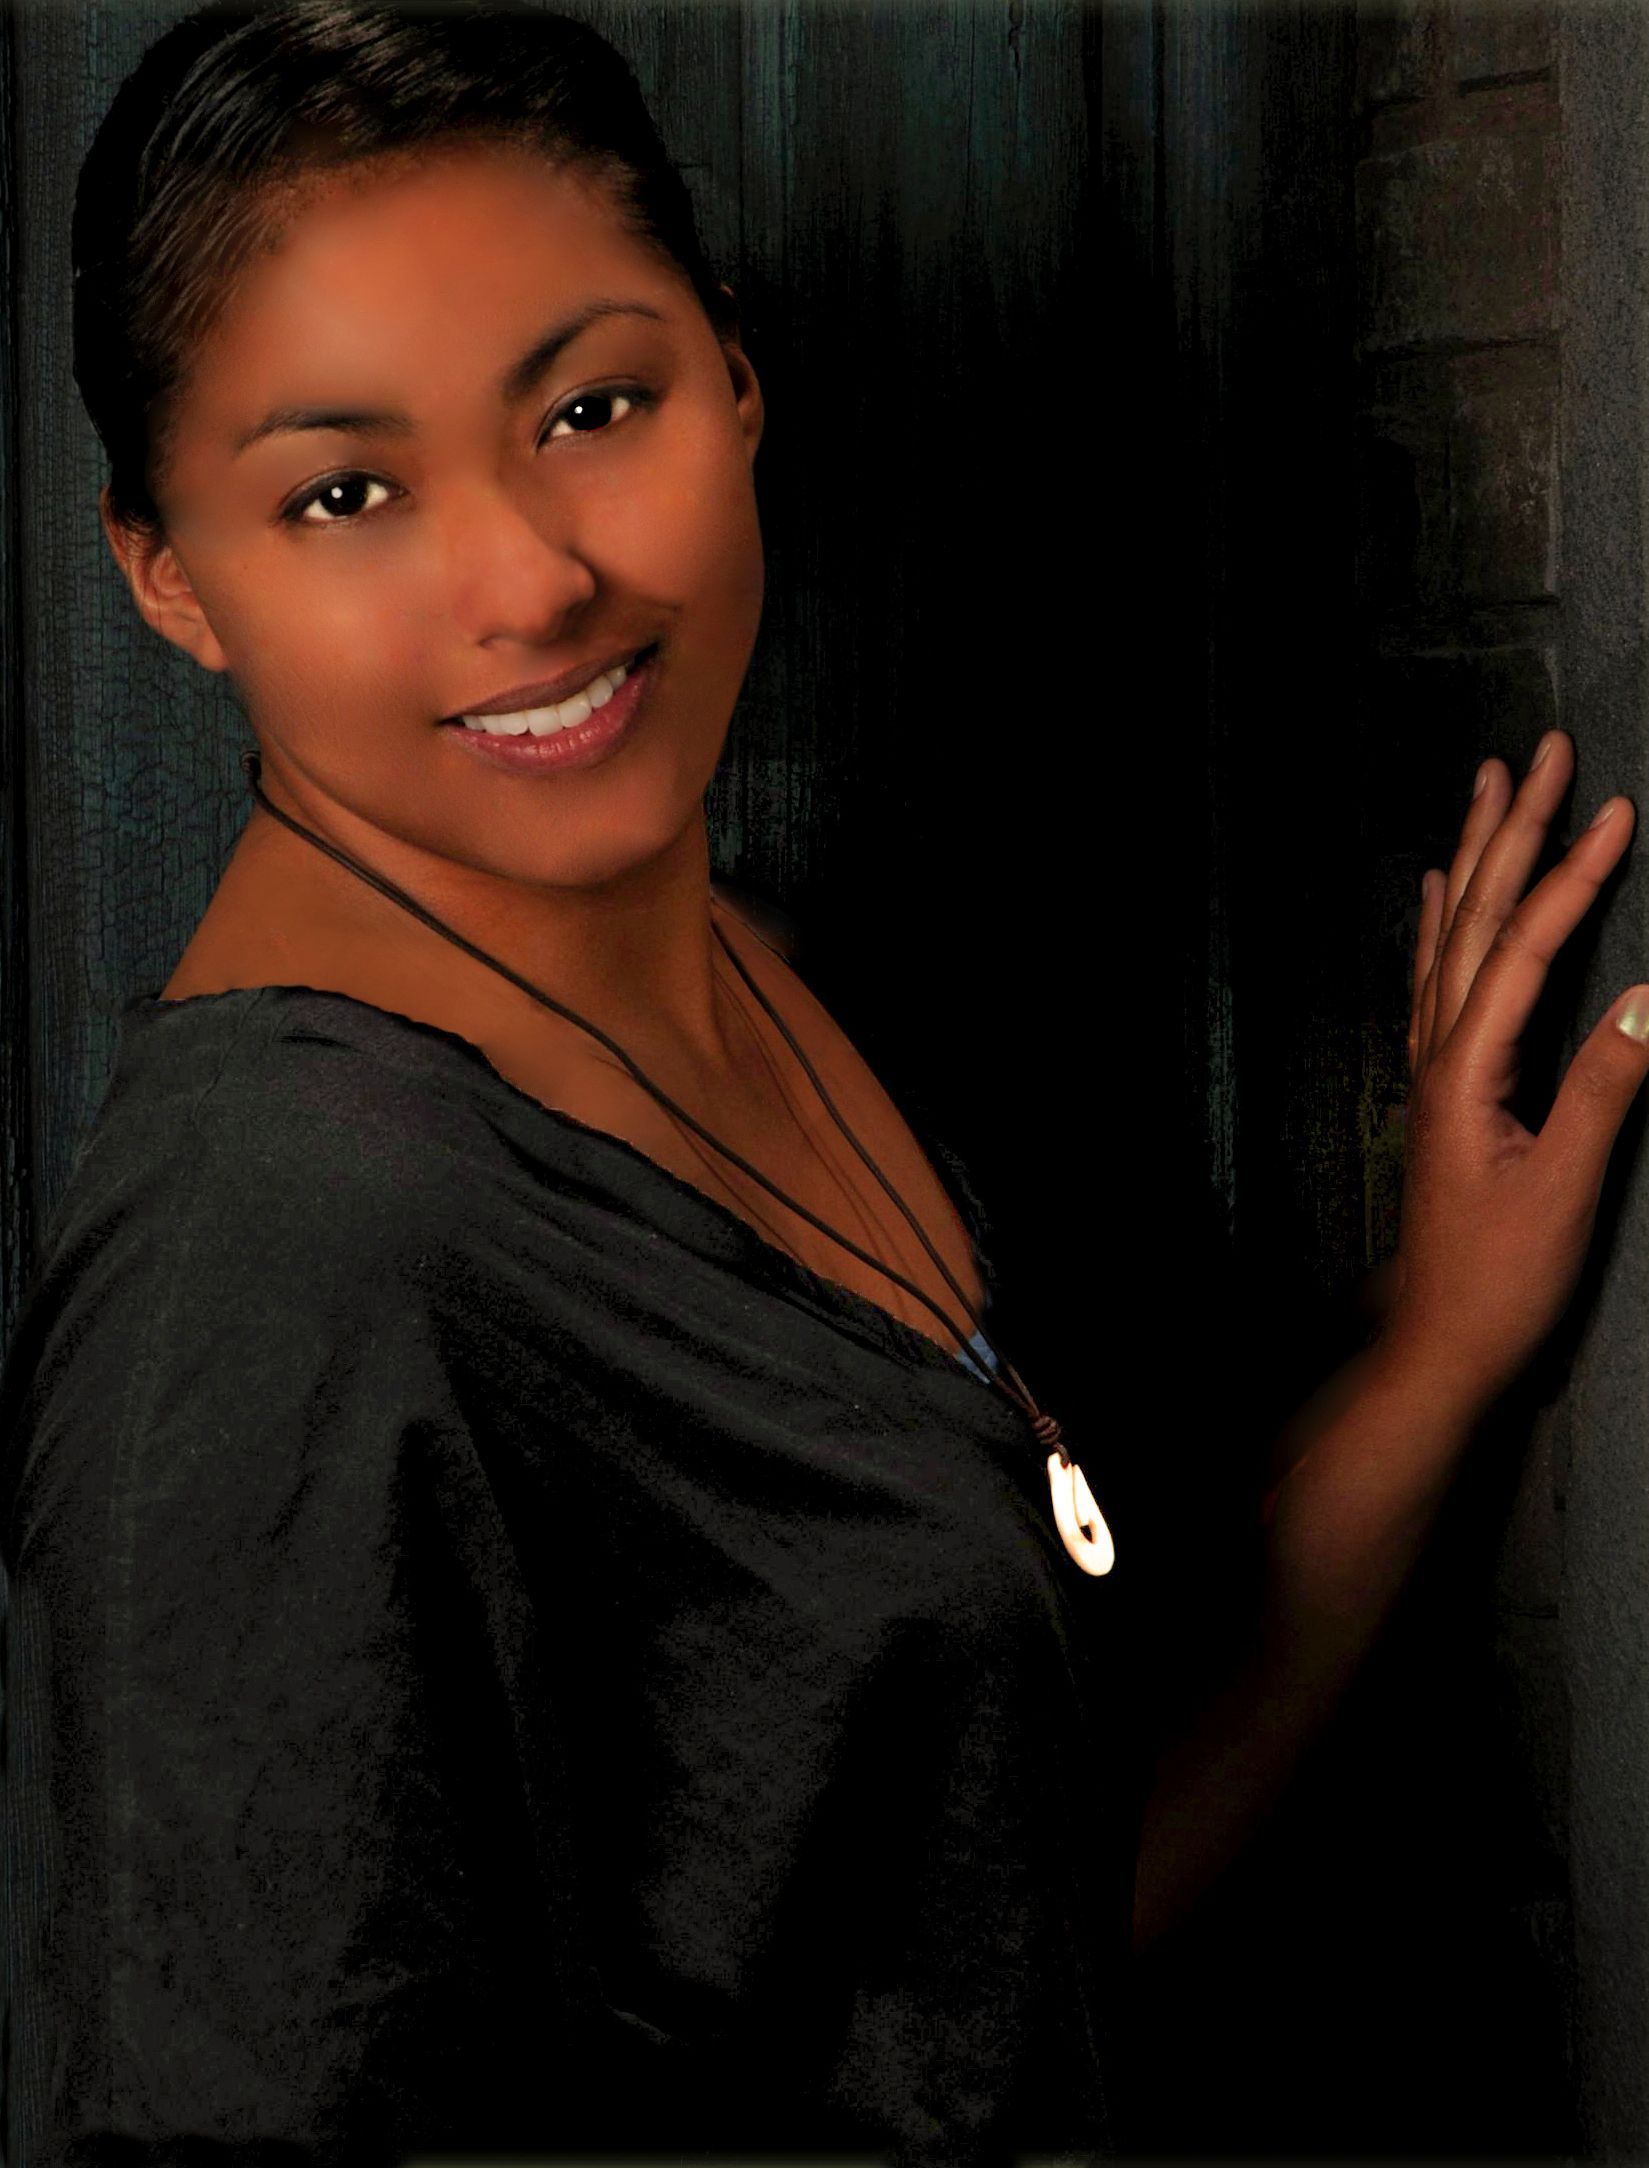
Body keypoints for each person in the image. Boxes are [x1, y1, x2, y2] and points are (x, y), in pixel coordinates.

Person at [2, 2, 1644, 2161]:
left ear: (737, 374)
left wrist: (1436, 1357)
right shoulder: (279, 1279)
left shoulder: (773, 971)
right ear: (168, 575)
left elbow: (990, 1957)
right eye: (347, 493)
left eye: (592, 406)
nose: (534, 580)